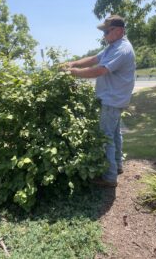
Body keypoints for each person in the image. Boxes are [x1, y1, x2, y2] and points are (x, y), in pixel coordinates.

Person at [64, 15, 136, 187]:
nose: (104, 35)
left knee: (106, 138)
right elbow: (93, 59)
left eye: (106, 31)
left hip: (112, 100)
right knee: (115, 134)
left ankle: (109, 178)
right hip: (115, 99)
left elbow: (100, 70)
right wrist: (73, 63)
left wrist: (73, 73)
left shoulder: (122, 49)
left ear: (119, 30)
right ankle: (117, 166)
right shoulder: (112, 47)